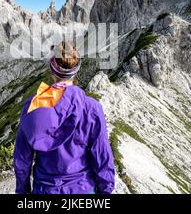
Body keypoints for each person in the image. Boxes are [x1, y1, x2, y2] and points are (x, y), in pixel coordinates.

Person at [13, 41, 115, 194]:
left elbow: (22, 157)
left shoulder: (33, 106)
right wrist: (105, 190)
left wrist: (23, 190)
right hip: (83, 188)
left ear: (51, 70)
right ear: (75, 72)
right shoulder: (91, 107)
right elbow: (101, 153)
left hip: (45, 189)